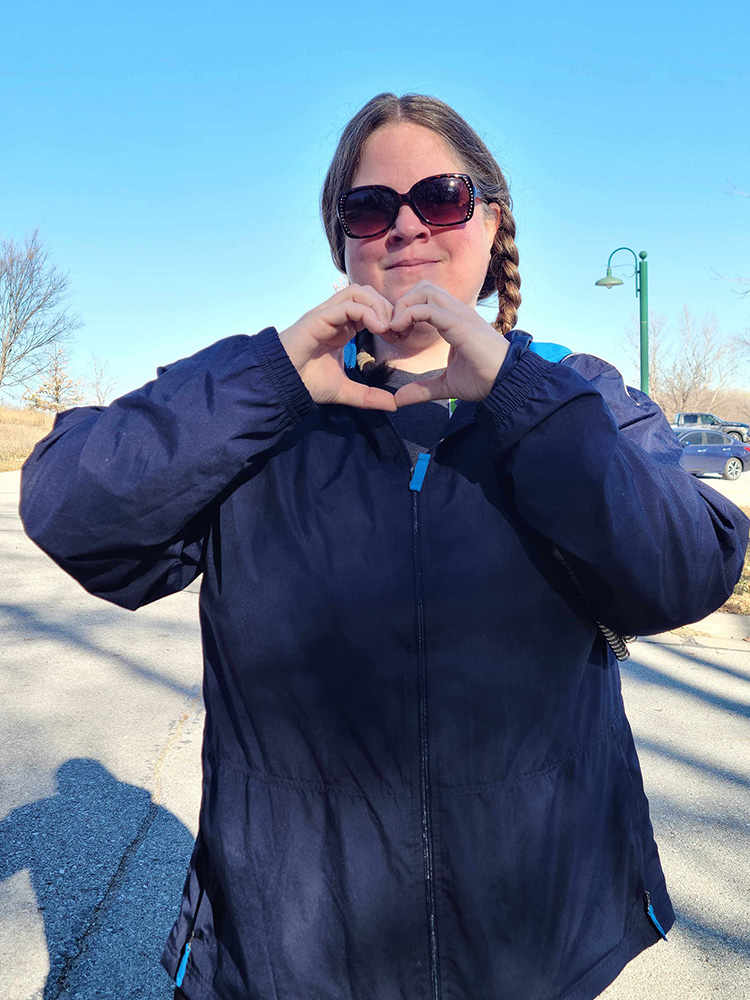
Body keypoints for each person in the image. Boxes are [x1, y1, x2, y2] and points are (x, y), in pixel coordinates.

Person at [21, 92, 748, 1000]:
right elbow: (70, 509)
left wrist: (521, 397)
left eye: (441, 197)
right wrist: (270, 381)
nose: (405, 227)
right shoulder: (265, 403)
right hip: (293, 955)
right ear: (342, 245)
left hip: (533, 943)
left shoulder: (577, 394)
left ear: (491, 222)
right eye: (370, 208)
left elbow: (686, 570)